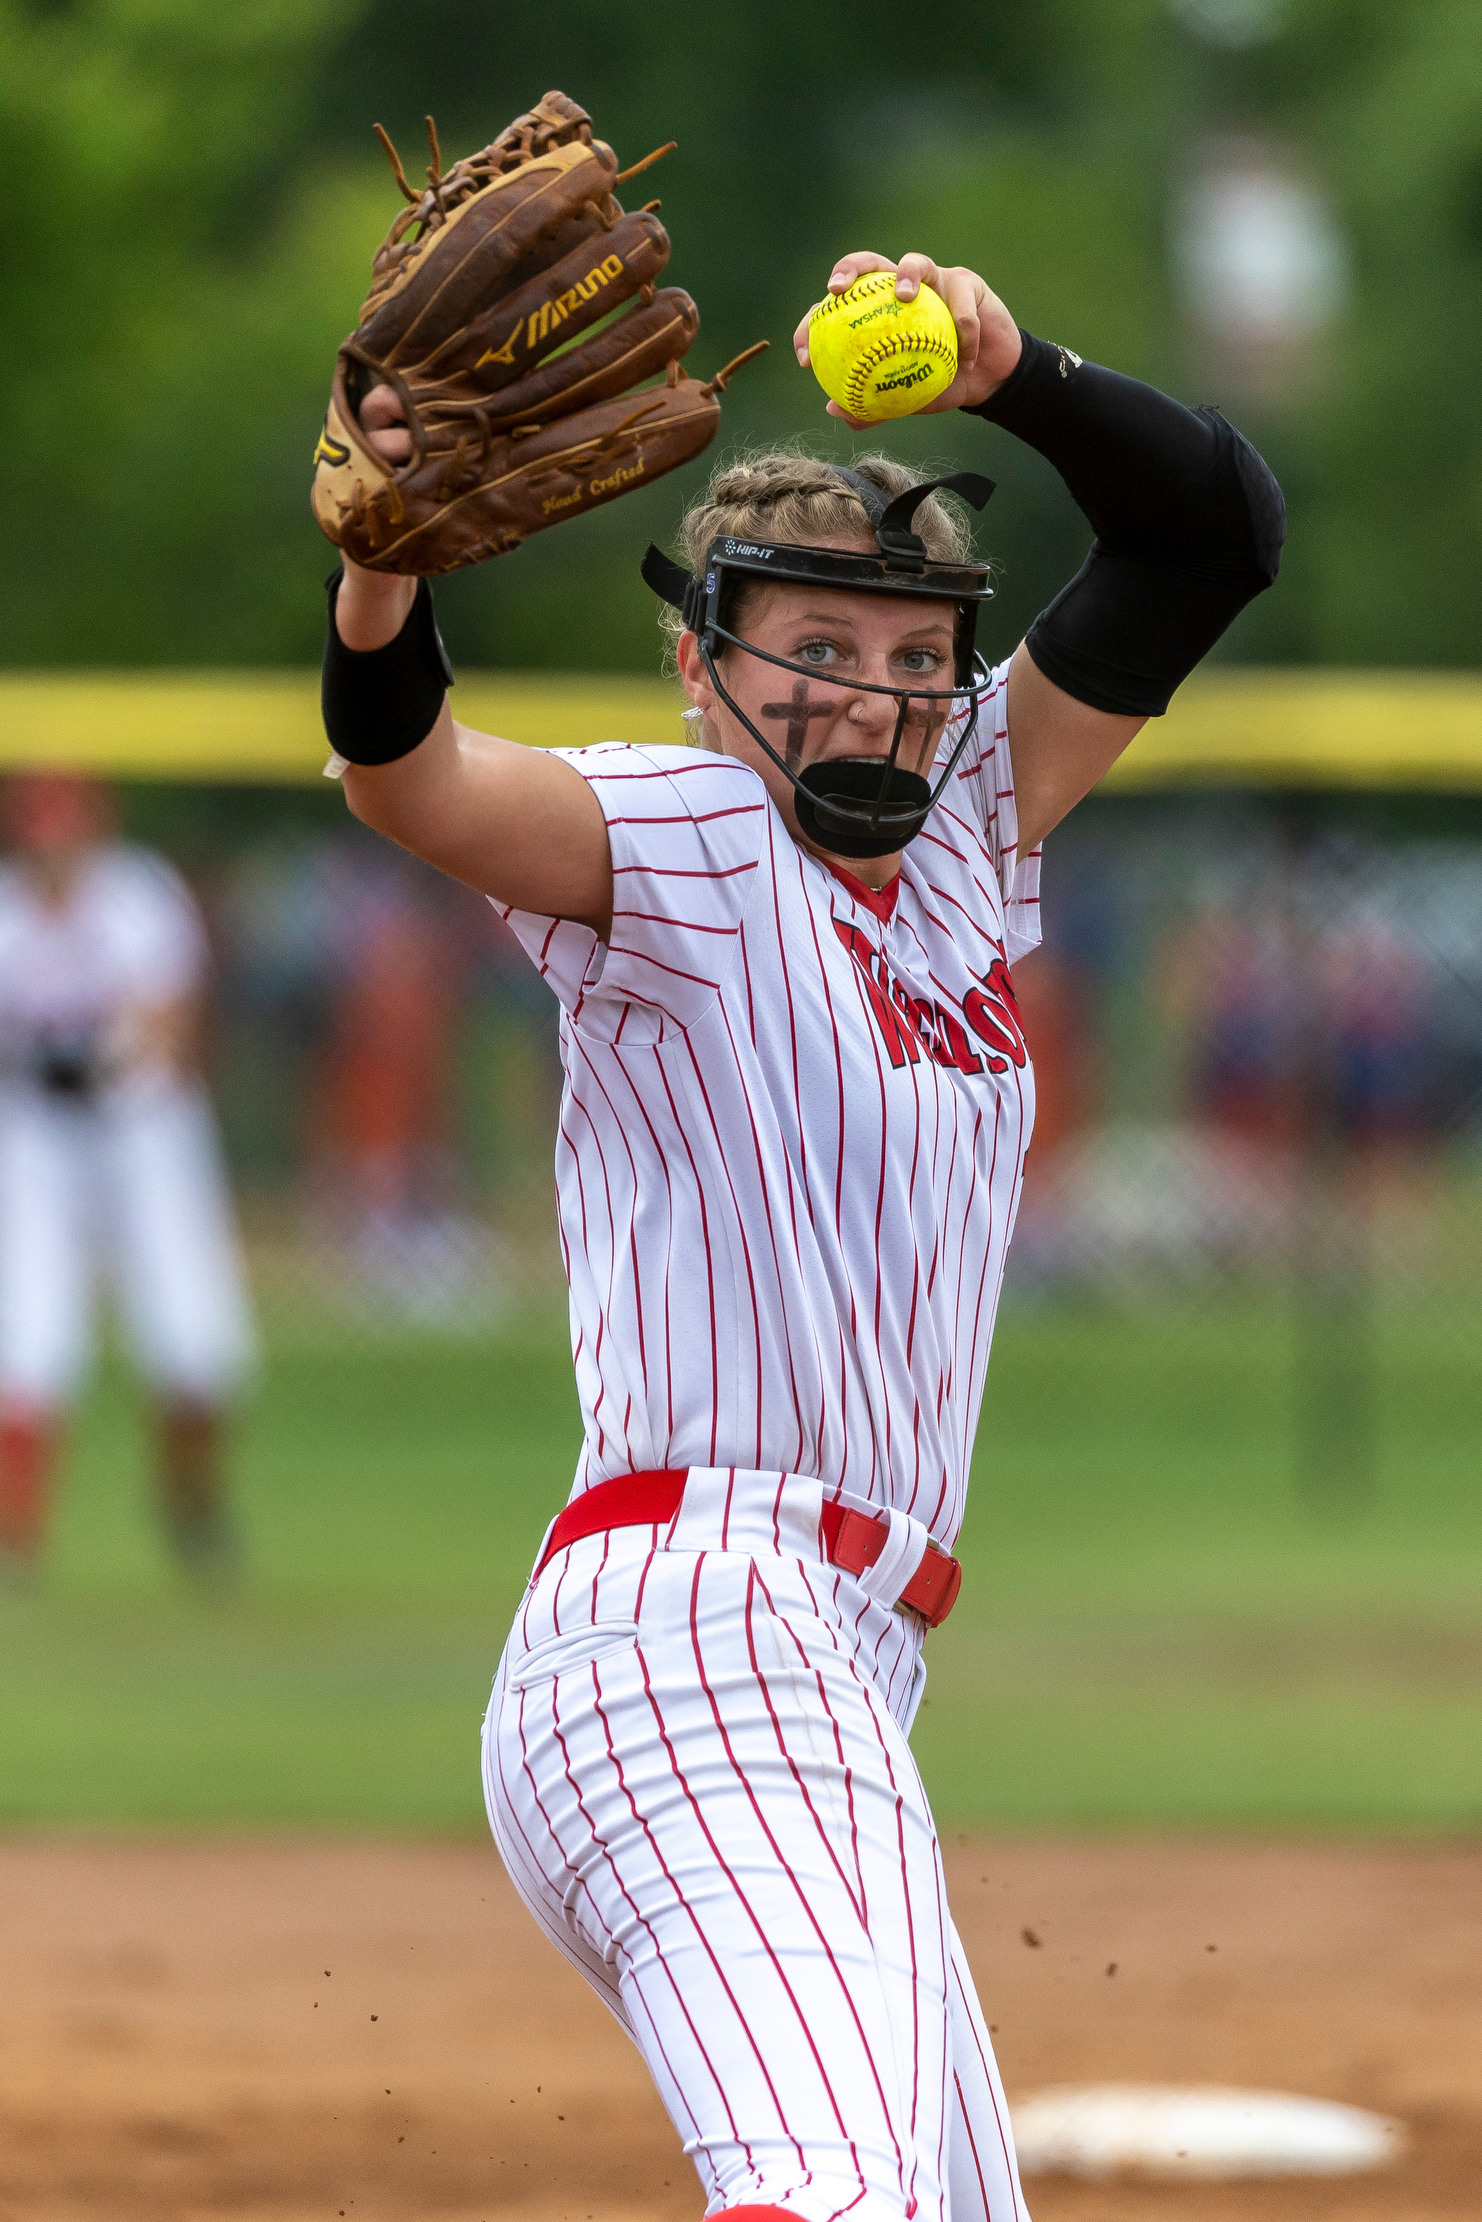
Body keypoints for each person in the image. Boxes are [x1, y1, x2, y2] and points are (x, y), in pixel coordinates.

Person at [322, 248, 1283, 2222]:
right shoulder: (680, 839)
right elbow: (407, 777)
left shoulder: (971, 830)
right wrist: (382, 583)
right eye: (816, 642)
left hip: (842, 1668)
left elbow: (1211, 533)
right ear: (706, 664)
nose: (876, 685)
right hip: (697, 1630)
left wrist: (1011, 369)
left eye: (920, 653)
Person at [0, 774, 255, 1582]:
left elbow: (170, 1027)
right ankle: (16, 1533)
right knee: (30, 1331)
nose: (53, 848)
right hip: (40, 1135)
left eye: (64, 828)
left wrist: (100, 1060)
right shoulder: (8, 912)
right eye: (40, 831)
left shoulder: (138, 896)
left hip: (144, 1128)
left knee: (192, 1328)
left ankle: (192, 1504)